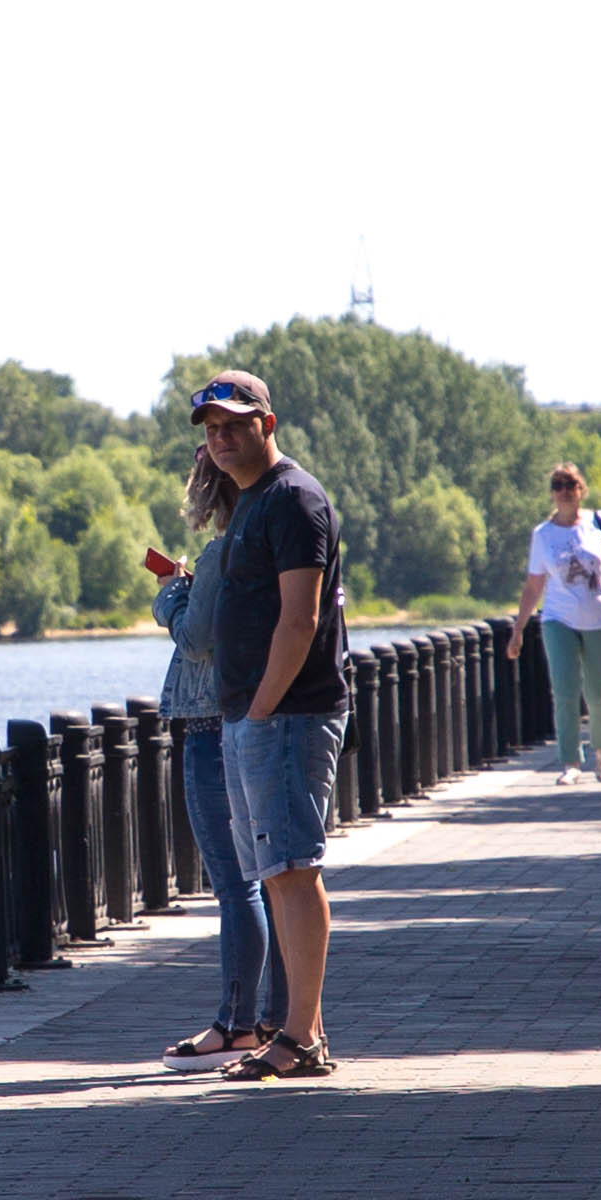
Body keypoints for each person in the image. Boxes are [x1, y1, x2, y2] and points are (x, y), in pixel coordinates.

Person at [193, 371, 350, 1081]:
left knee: (291, 869)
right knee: (278, 872)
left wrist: (260, 709)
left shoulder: (293, 498)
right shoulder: (253, 498)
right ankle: (299, 1033)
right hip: (253, 716)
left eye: (233, 423)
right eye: (210, 428)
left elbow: (301, 617)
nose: (220, 438)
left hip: (285, 715)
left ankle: (300, 1039)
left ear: (267, 421)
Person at [141, 435, 269, 1063]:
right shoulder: (259, 537)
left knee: (235, 883)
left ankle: (236, 1021)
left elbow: (195, 640)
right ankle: (273, 1019)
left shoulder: (222, 552)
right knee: (271, 877)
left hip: (206, 726)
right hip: (248, 716)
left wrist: (172, 595)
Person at [509, 462, 601, 784]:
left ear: (581, 490)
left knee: (596, 691)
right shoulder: (543, 535)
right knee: (564, 690)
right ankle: (570, 762)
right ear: (552, 494)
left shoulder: (598, 523)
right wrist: (518, 630)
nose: (564, 491)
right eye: (558, 485)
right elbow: (534, 584)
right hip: (558, 619)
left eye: (571, 485)